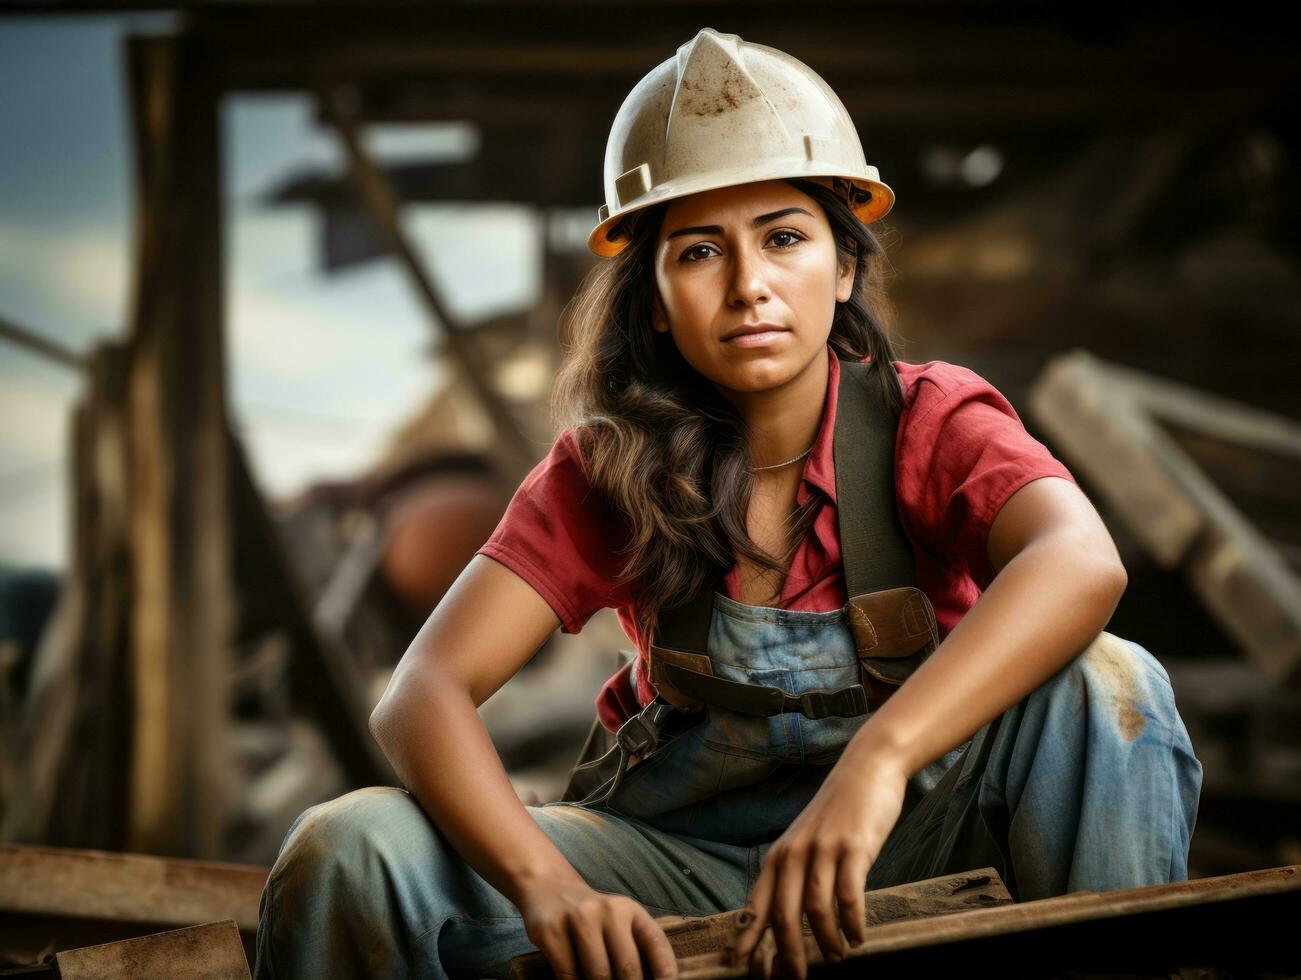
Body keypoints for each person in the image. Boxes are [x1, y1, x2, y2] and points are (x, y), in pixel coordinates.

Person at [253, 28, 1202, 980]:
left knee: (1107, 686)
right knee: (349, 845)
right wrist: (548, 883)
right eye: (700, 251)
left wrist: (876, 763)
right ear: (657, 299)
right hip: (669, 871)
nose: (749, 287)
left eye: (784, 238)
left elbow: (1080, 561)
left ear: (841, 266)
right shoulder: (608, 470)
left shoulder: (931, 419)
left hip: (910, 840)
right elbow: (421, 694)